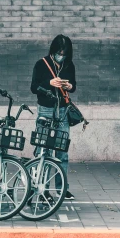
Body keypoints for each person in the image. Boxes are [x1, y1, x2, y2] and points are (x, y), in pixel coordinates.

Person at [30, 34, 76, 200]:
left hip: (62, 111)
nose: (61, 55)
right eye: (59, 52)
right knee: (45, 150)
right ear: (53, 50)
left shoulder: (68, 65)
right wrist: (49, 83)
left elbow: (74, 86)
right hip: (46, 110)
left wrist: (69, 85)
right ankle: (43, 189)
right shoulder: (42, 64)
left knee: (62, 152)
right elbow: (34, 87)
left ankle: (62, 188)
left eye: (64, 53)